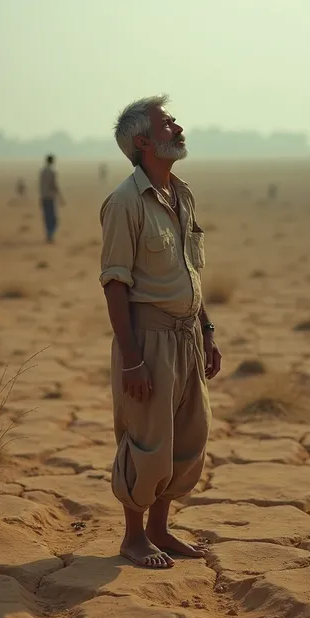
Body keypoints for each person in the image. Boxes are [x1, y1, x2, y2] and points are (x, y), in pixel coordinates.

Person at [99, 95, 222, 568]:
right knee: (148, 441)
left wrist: (207, 331)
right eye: (167, 123)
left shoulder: (182, 194)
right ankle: (133, 538)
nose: (178, 127)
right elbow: (115, 284)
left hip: (188, 336)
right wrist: (132, 359)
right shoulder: (125, 203)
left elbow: (191, 270)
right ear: (143, 141)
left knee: (189, 438)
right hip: (147, 340)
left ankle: (161, 529)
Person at [39, 155, 64, 243]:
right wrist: (60, 196)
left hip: (43, 196)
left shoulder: (42, 171)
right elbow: (54, 185)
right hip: (50, 197)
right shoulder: (52, 171)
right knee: (53, 218)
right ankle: (50, 234)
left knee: (47, 216)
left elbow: (41, 185)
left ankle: (49, 234)